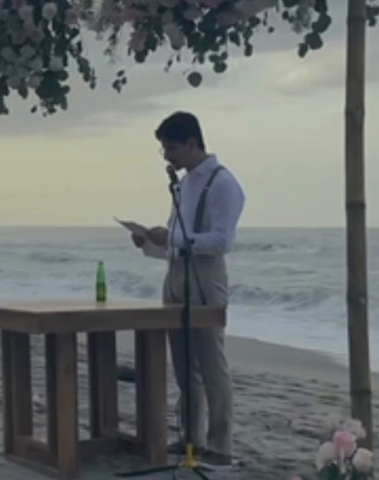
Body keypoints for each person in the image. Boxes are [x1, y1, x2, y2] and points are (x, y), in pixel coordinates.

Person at [130, 112, 244, 468]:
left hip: (205, 277)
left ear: (193, 144)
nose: (167, 156)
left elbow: (222, 241)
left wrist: (174, 238)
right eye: (163, 149)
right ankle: (191, 436)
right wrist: (150, 242)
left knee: (211, 365)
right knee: (183, 366)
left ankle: (220, 445)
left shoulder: (223, 183)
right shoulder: (185, 183)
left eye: (171, 148)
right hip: (176, 274)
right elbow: (176, 240)